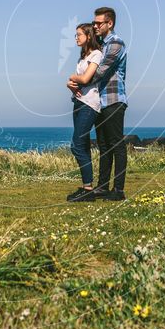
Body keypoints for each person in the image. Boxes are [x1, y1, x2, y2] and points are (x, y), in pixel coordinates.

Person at [68, 7, 127, 201]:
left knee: (116, 144)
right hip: (99, 101)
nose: (95, 26)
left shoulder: (116, 43)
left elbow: (100, 72)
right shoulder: (100, 45)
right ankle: (102, 186)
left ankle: (118, 190)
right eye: (94, 23)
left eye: (98, 23)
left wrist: (78, 79)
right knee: (103, 145)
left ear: (109, 24)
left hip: (113, 99)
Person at [65, 23, 103, 202]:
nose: (76, 38)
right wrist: (71, 86)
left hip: (89, 104)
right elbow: (79, 82)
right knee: (83, 145)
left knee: (76, 145)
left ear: (88, 36)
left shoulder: (96, 54)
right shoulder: (83, 57)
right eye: (75, 35)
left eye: (79, 35)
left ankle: (88, 188)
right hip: (79, 102)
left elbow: (86, 78)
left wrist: (72, 78)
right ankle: (87, 187)